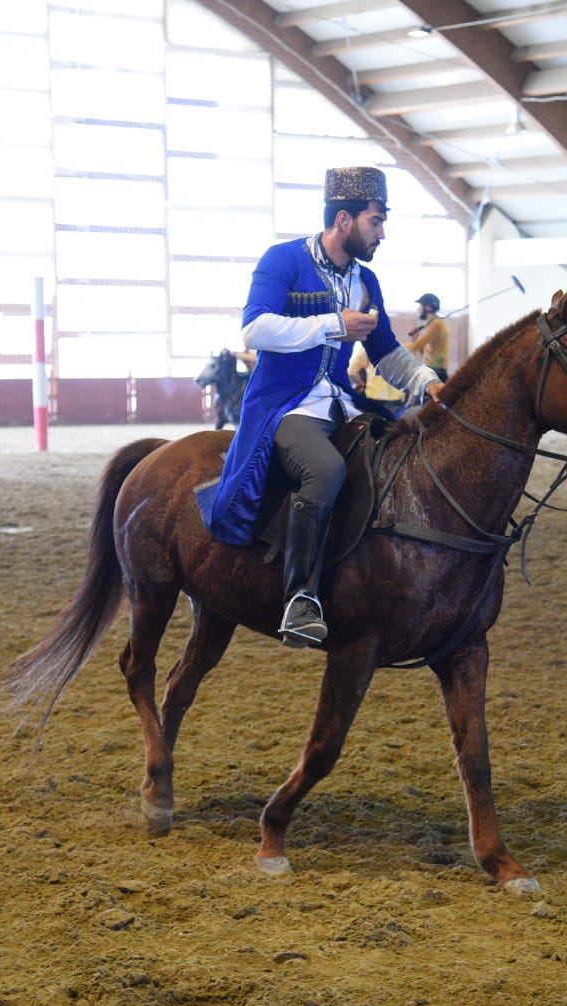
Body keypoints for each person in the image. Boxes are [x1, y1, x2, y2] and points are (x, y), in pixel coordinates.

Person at [196, 166, 443, 648]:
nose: (383, 233)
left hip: (340, 406)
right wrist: (331, 325)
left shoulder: (366, 281)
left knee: (397, 457)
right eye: (376, 221)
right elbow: (254, 330)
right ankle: (300, 597)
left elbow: (386, 352)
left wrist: (426, 382)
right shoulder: (283, 260)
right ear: (345, 220)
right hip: (284, 407)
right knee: (326, 471)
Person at [406, 293, 450, 381]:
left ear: (428, 308)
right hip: (433, 371)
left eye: (420, 306)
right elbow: (425, 352)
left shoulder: (435, 325)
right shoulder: (434, 324)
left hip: (435, 373)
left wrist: (393, 348)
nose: (418, 309)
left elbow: (414, 347)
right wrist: (415, 339)